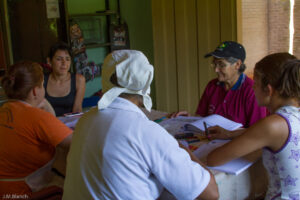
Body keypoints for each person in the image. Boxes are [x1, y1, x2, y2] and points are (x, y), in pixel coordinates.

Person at [63, 50, 219, 200]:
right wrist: (182, 149)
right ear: (146, 84)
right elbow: (211, 192)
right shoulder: (146, 131)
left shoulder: (86, 119)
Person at [207, 53, 300, 200]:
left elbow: (214, 159)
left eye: (255, 83)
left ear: (268, 90)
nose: (253, 87)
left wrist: (185, 151)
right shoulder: (292, 116)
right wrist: (231, 134)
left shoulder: (273, 125)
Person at [0, 61, 73, 197]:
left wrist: (43, 103)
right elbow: (77, 143)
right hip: (22, 193)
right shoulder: (37, 118)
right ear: (35, 90)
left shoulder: (5, 110)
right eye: (42, 84)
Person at [171, 41, 267, 139]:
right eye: (214, 64)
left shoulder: (252, 90)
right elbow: (202, 118)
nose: (216, 70)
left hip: (237, 145)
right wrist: (189, 119)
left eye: (221, 64)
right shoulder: (212, 85)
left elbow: (259, 132)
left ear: (237, 64)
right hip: (210, 142)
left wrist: (229, 134)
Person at [44, 42, 85, 116]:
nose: (64, 63)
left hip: (70, 125)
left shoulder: (79, 80)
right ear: (49, 61)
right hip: (47, 124)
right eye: (59, 59)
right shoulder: (41, 80)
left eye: (67, 59)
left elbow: (77, 110)